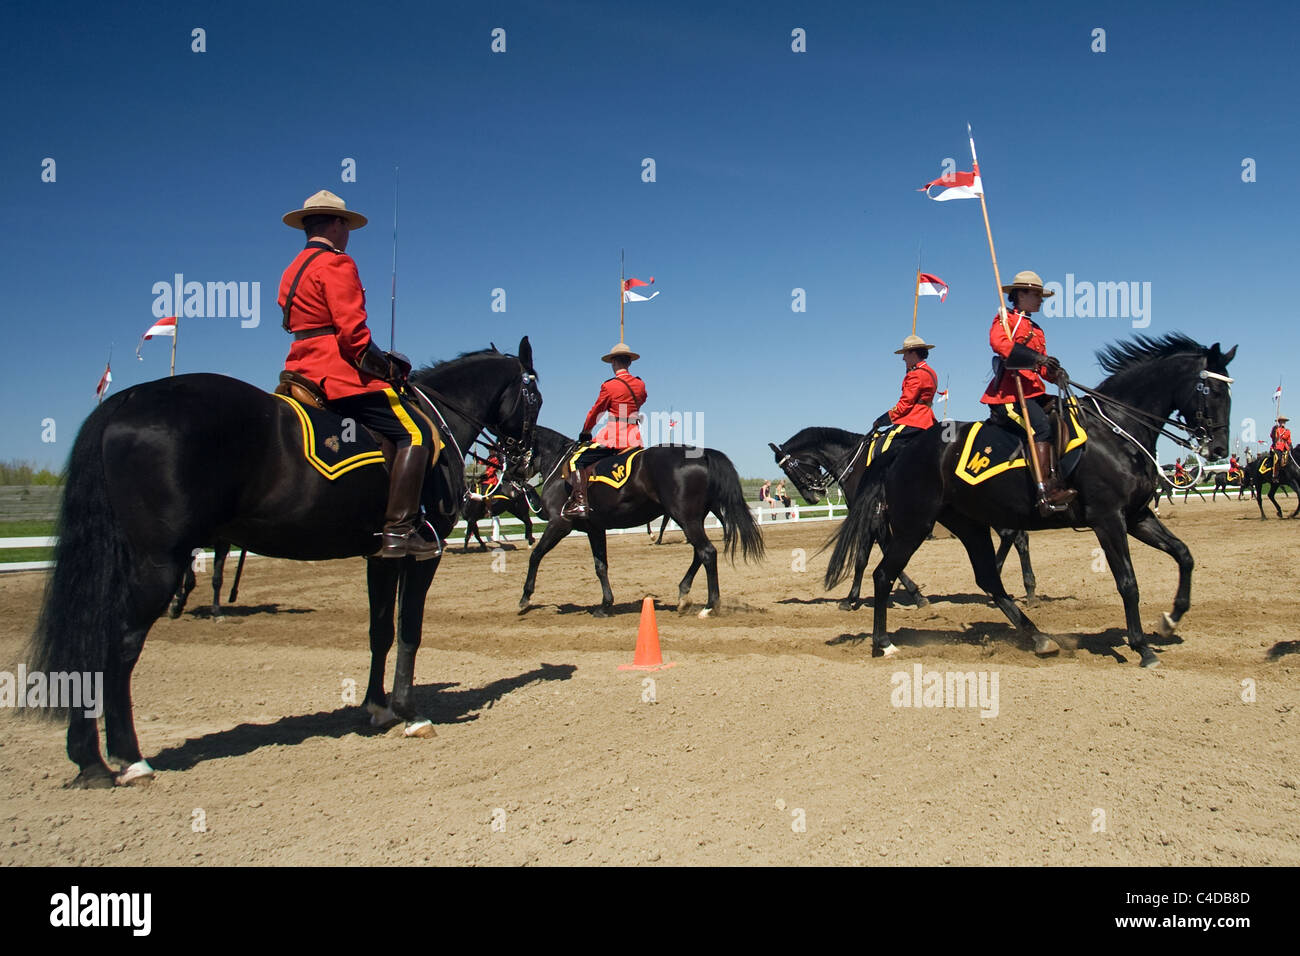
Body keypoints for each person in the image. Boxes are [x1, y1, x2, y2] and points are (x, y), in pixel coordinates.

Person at [279, 190, 439, 559]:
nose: (348, 234)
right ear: (336, 224)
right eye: (346, 226)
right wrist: (388, 367)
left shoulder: (291, 270)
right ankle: (400, 529)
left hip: (297, 369)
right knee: (415, 433)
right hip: (335, 375)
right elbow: (353, 337)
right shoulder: (337, 264)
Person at [980, 270, 1075, 515]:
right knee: (1041, 427)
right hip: (1009, 396)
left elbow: (1041, 368)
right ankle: (1045, 492)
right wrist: (1037, 358)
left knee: (1069, 411)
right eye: (1036, 295)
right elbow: (1000, 345)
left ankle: (1062, 473)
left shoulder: (1037, 329)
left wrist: (1054, 373)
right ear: (1020, 294)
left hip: (1032, 392)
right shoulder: (1005, 318)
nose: (1041, 300)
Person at [561, 342, 647, 519]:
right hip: (634, 438)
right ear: (629, 363)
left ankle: (580, 503)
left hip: (614, 437)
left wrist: (586, 430)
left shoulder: (609, 386)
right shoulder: (640, 384)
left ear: (613, 363)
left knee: (575, 460)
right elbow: (642, 400)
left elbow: (596, 411)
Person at [873, 334, 939, 438]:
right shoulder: (931, 372)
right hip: (928, 420)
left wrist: (883, 420)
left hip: (914, 420)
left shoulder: (915, 374)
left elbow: (904, 405)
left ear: (913, 353)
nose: (903, 358)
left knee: (883, 448)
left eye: (905, 354)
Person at [1269, 416, 1292, 481]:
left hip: (1285, 447)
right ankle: (1275, 475)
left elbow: (1289, 441)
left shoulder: (1287, 431)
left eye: (1284, 421)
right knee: (1277, 458)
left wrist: (1290, 447)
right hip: (1277, 447)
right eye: (1282, 421)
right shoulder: (1276, 429)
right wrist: (1274, 429)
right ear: (1279, 422)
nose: (1283, 422)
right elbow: (1272, 436)